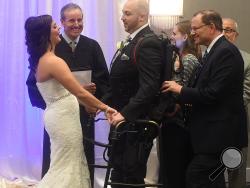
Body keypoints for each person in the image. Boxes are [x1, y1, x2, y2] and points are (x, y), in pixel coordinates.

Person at [24, 15, 116, 187]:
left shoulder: (44, 60)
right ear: (45, 34)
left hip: (60, 117)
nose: (58, 28)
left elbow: (68, 93)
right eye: (54, 26)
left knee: (65, 163)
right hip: (63, 119)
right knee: (65, 166)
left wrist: (87, 101)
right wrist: (105, 108)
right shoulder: (53, 61)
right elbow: (79, 92)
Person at [162, 10, 248, 187]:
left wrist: (180, 90)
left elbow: (212, 93)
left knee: (197, 176)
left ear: (211, 27)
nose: (192, 33)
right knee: (211, 180)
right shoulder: (214, 50)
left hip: (218, 135)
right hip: (210, 134)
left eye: (195, 28)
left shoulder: (226, 52)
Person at [106, 0, 163, 186]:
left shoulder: (148, 43)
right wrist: (101, 105)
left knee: (130, 175)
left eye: (127, 13)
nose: (122, 17)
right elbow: (119, 81)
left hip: (136, 124)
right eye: (123, 13)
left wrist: (125, 114)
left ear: (142, 16)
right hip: (123, 122)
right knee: (118, 171)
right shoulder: (133, 40)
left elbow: (149, 87)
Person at [160, 20, 201, 188]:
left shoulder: (189, 59)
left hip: (180, 122)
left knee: (176, 167)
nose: (172, 37)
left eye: (175, 33)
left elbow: (183, 89)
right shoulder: (178, 57)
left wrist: (174, 105)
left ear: (185, 36)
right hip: (172, 119)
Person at [222, 17, 250, 188]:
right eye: (222, 29)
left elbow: (246, 92)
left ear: (236, 34)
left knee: (235, 164)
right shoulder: (206, 56)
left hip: (236, 118)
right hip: (209, 120)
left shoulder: (247, 59)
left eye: (229, 30)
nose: (225, 34)